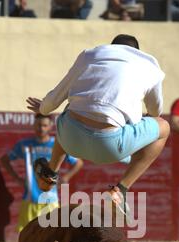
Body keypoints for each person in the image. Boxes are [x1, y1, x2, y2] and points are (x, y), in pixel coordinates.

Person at [26, 34, 169, 216]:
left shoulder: (90, 56)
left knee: (70, 110)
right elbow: (156, 112)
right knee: (163, 127)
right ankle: (120, 191)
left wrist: (44, 109)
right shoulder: (149, 67)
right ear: (137, 52)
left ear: (111, 47)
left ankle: (50, 172)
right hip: (110, 147)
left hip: (71, 138)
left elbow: (54, 100)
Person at [0, 114, 83, 232]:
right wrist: (16, 178)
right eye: (39, 125)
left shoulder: (58, 144)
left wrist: (66, 177)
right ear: (34, 126)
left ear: (50, 127)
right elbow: (4, 160)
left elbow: (78, 163)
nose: (41, 128)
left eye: (44, 125)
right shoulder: (24, 145)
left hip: (51, 199)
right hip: (30, 198)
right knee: (27, 235)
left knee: (51, 235)